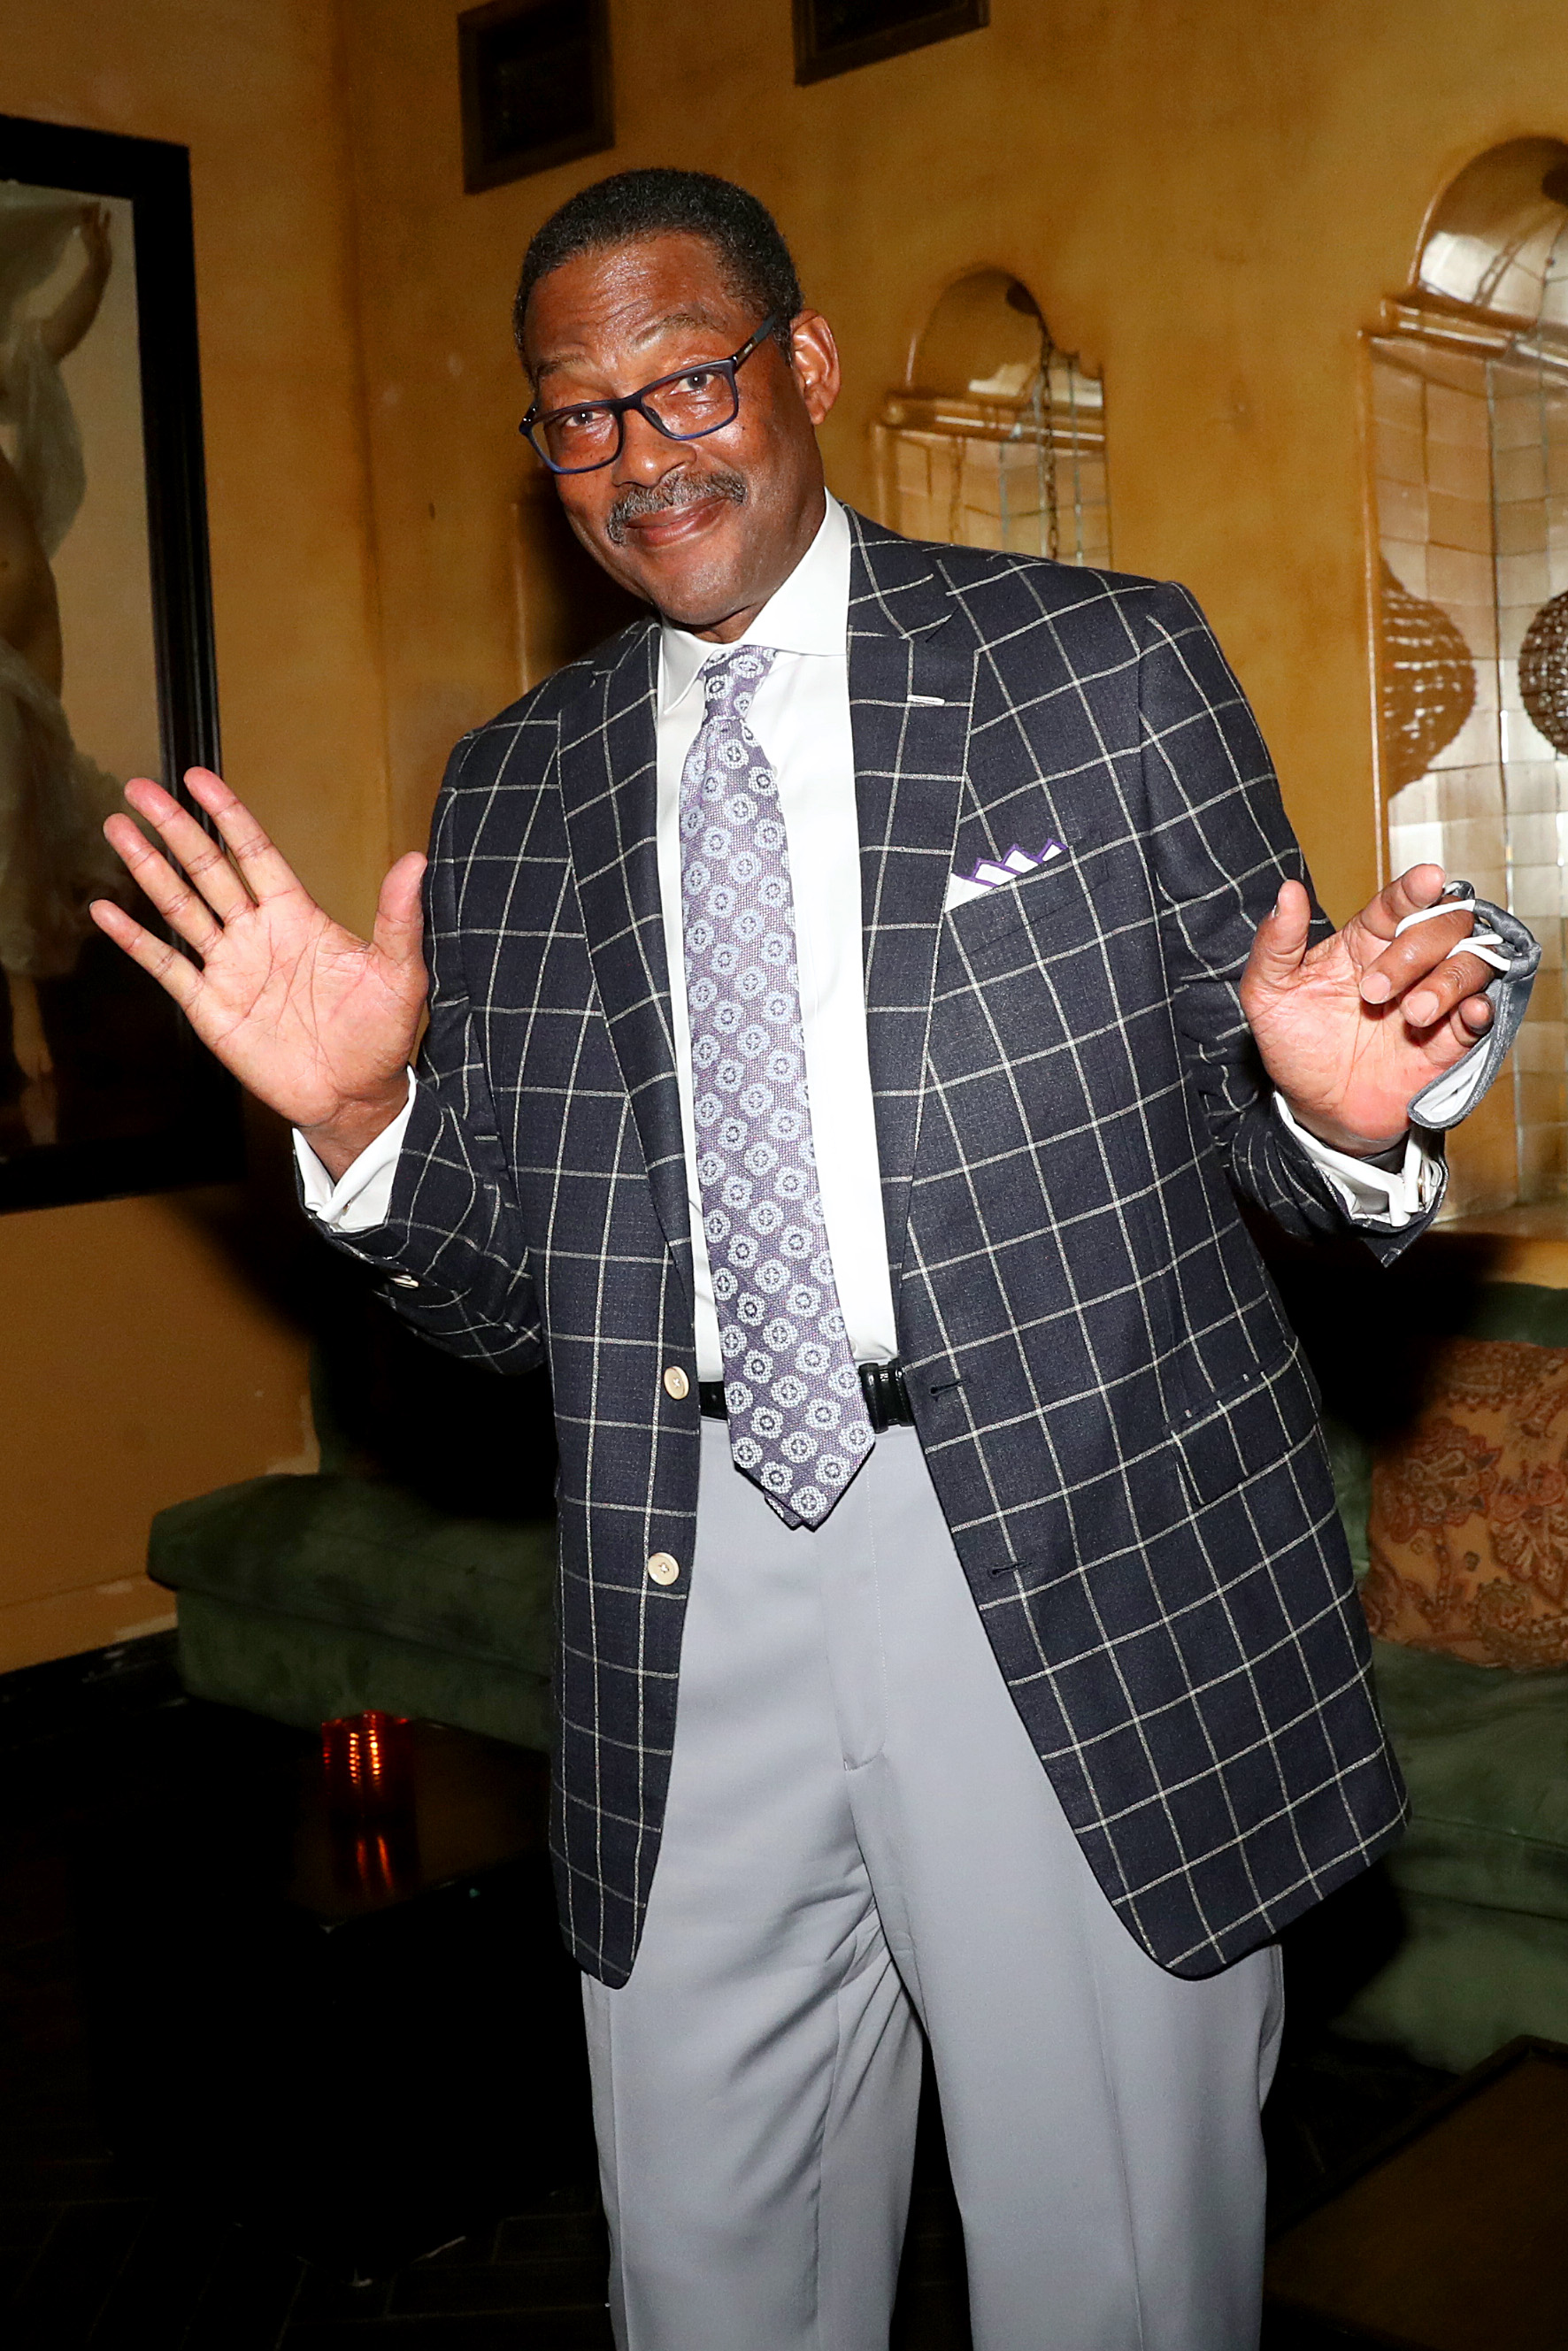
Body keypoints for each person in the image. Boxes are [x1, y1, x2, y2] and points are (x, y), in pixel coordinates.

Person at [92, 170, 1510, 2351]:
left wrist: (1334, 1110)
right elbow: (502, 1296)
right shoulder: (514, 793)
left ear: (809, 368)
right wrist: (360, 1124)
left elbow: (1270, 1104)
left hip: (1067, 1569)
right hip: (684, 1598)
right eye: (581, 417)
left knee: (1112, 2278)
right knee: (709, 2273)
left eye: (689, 382)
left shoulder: (1100, 670)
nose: (644, 453)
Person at [0, 196, 126, 1145]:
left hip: (31, 610)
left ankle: (37, 986)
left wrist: (97, 267)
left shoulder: (3, 365)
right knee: (4, 800)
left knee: (34, 795)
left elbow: (55, 336)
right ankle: (20, 1005)